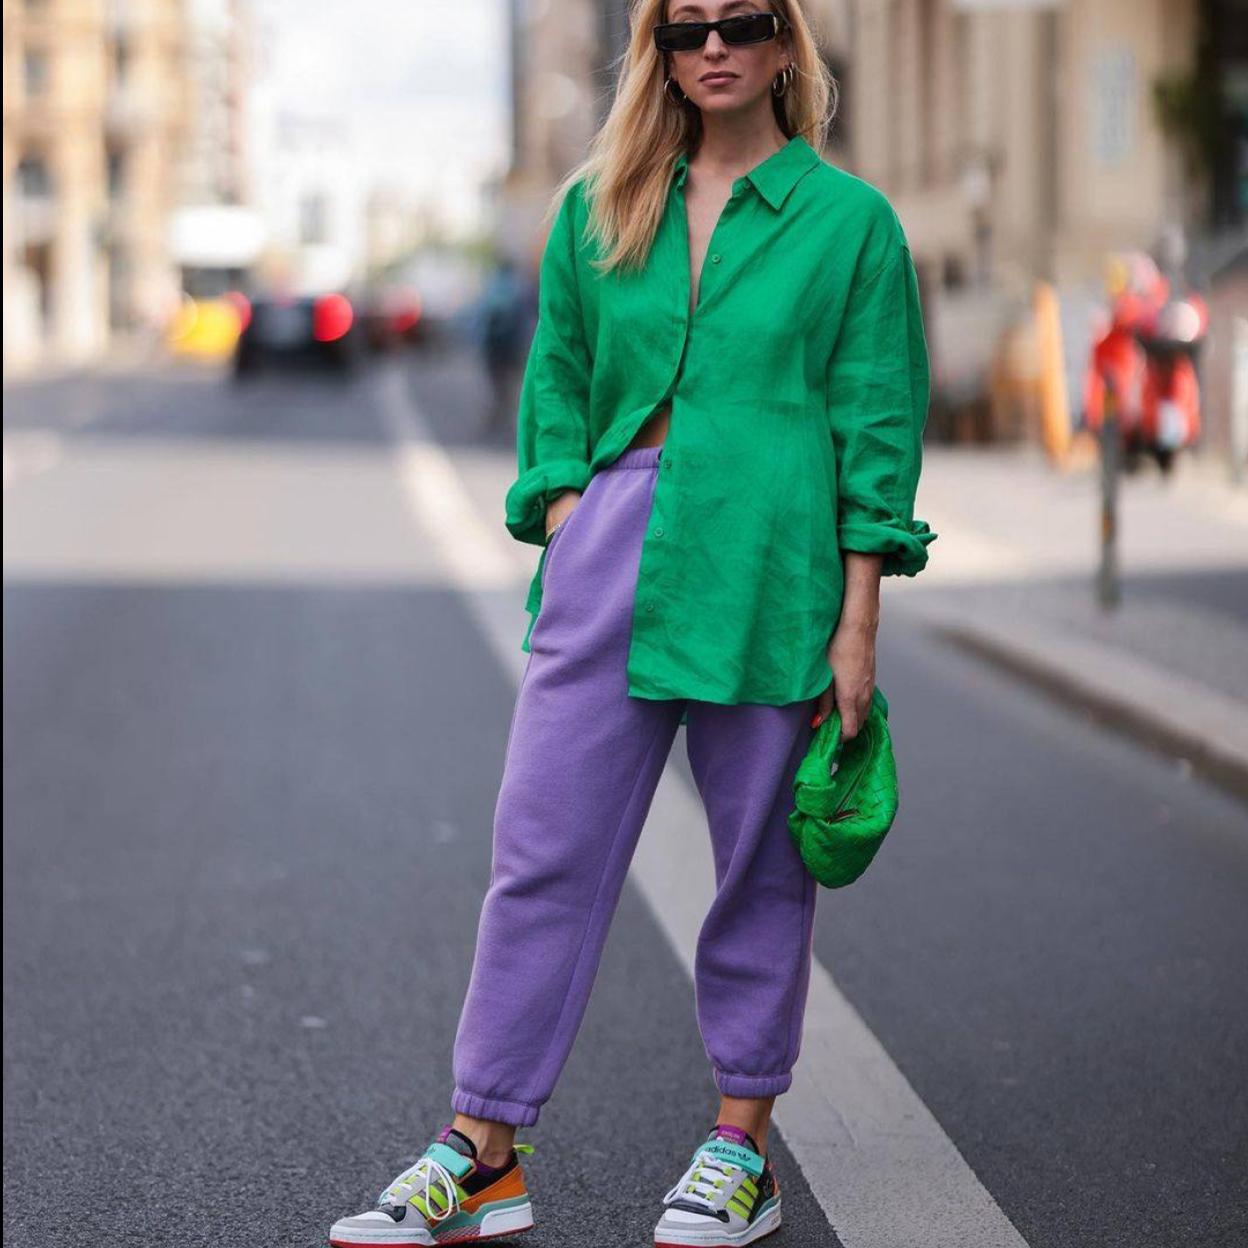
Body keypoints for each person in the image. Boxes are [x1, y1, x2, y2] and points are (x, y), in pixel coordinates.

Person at [329, 2, 934, 1245]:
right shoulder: (598, 211)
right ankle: (484, 1147)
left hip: (771, 560)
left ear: (784, 45)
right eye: (684, 27)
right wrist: (564, 517)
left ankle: (739, 1149)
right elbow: (555, 382)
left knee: (760, 870)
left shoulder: (852, 225)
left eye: (741, 21)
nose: (713, 46)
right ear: (658, 50)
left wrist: (858, 620)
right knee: (541, 845)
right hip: (614, 549)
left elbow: (877, 424)